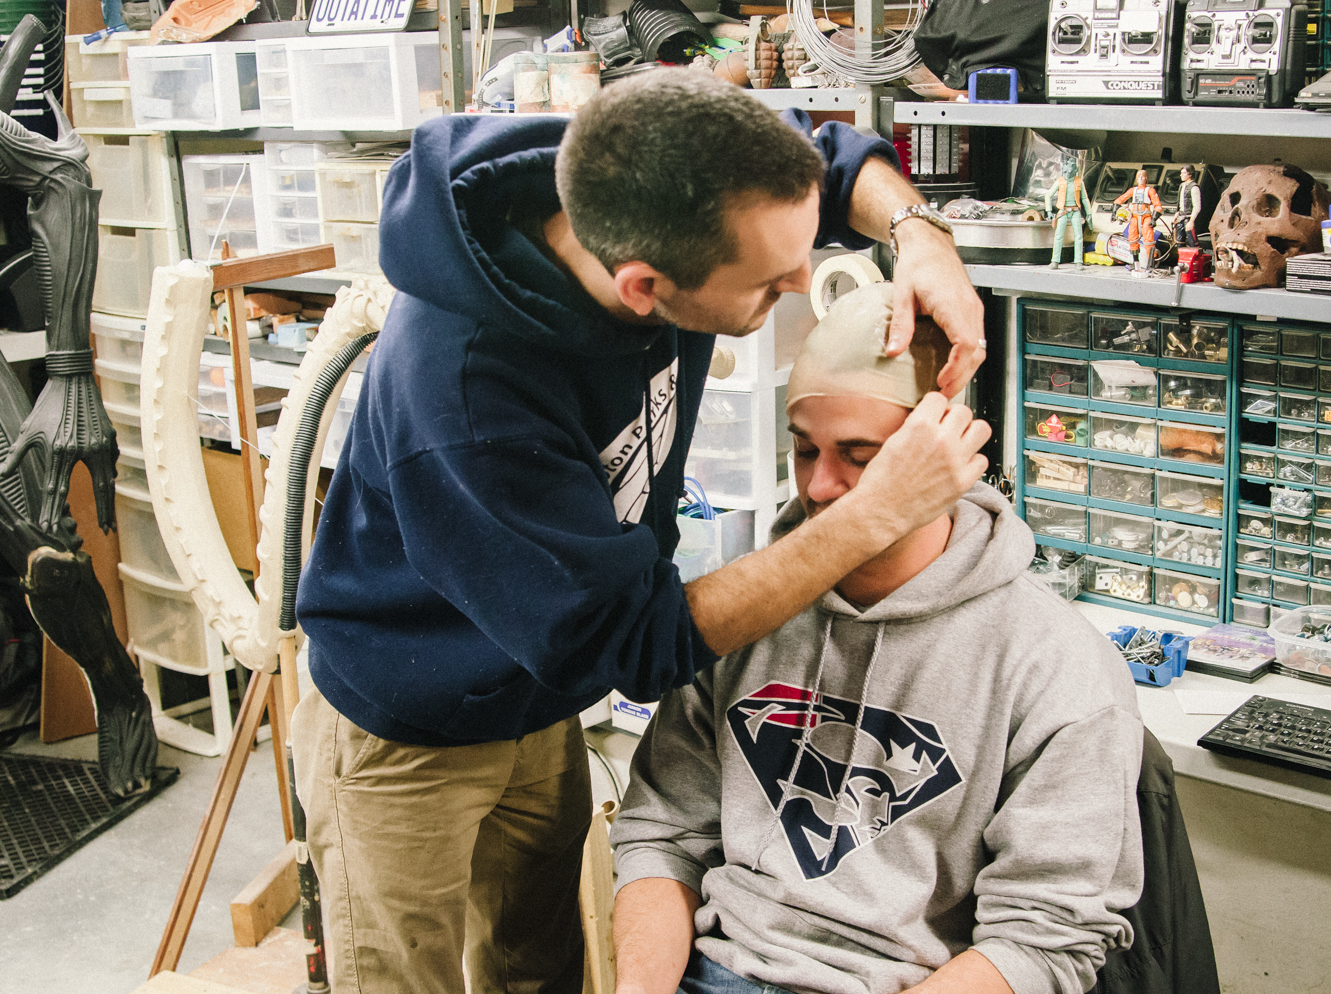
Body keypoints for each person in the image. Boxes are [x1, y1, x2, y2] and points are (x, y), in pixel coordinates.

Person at [290, 70, 990, 993]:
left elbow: (826, 158)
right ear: (644, 287)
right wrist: (873, 514)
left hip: (535, 692)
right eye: (769, 284)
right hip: (408, 723)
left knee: (539, 967)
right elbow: (635, 640)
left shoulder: (656, 169)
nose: (799, 281)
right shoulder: (468, 397)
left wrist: (920, 234)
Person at [611, 283, 1146, 994]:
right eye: (805, 451)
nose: (823, 487)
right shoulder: (749, 614)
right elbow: (662, 834)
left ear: (946, 457)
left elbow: (1044, 940)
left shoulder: (1055, 667)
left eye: (862, 456)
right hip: (721, 968)